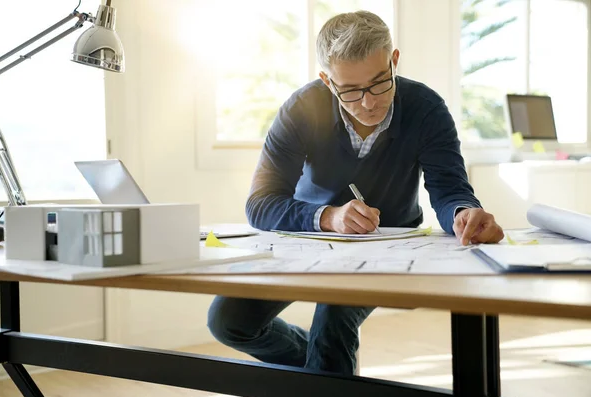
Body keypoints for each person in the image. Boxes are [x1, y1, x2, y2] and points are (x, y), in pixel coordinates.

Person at [207, 10, 504, 375]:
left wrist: (463, 213)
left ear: (394, 61)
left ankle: (327, 372)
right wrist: (328, 217)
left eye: (380, 82)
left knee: (333, 321)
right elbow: (261, 204)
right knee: (228, 321)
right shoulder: (301, 109)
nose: (368, 102)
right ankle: (326, 371)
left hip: (390, 242)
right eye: (349, 90)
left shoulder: (426, 108)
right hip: (308, 238)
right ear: (327, 81)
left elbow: (449, 189)